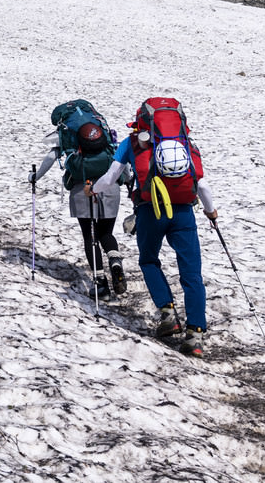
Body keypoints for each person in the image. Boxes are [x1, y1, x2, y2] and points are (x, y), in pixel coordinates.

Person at [88, 97, 218, 357]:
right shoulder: (185, 144)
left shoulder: (131, 143)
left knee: (149, 260)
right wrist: (210, 211)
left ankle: (168, 314)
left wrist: (93, 189)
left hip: (151, 210)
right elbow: (201, 184)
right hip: (183, 212)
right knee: (191, 274)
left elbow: (111, 177)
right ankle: (195, 335)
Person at [31, 119, 126, 298]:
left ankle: (101, 285)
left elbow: (52, 157)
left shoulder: (67, 134)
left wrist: (35, 176)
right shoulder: (102, 131)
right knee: (106, 233)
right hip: (110, 187)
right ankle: (114, 260)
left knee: (90, 236)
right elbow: (120, 161)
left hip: (82, 188)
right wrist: (127, 182)